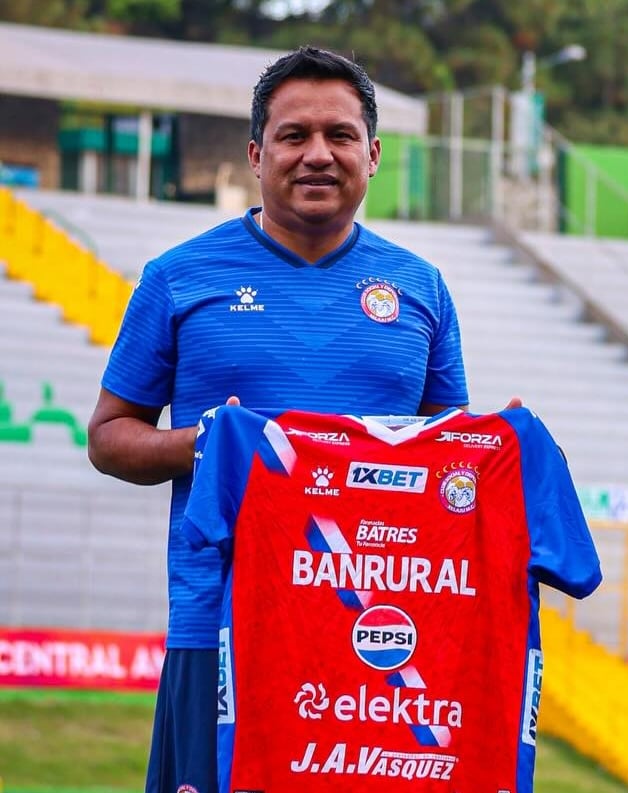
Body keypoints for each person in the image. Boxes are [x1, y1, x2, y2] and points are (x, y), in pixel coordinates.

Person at [86, 47, 509, 793]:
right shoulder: (178, 277)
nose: (318, 154)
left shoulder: (420, 288)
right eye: (293, 135)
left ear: (372, 155)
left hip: (379, 634)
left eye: (340, 135)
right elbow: (109, 435)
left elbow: (450, 457)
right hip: (219, 626)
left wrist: (491, 452)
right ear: (256, 154)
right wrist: (207, 443)